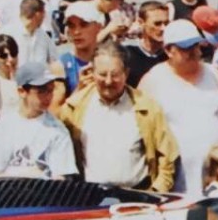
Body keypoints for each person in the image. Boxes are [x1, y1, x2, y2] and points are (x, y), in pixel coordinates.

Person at [139, 20, 218, 196]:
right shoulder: (152, 80)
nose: (194, 52)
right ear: (168, 50)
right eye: (186, 48)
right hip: (177, 181)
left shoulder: (214, 74)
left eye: (196, 45)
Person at [60, 43, 177, 194]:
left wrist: (156, 192)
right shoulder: (73, 108)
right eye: (102, 74)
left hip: (138, 196)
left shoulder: (148, 107)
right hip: (91, 197)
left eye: (115, 75)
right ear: (92, 73)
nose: (108, 81)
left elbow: (168, 157)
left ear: (126, 74)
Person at [0, 70, 77, 181]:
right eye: (42, 91)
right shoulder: (3, 126)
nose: (48, 96)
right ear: (22, 91)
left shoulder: (58, 130)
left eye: (51, 90)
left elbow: (61, 176)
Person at [122, 1, 172, 87]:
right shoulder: (126, 54)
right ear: (141, 22)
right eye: (157, 24)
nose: (164, 28)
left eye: (166, 23)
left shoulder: (172, 54)